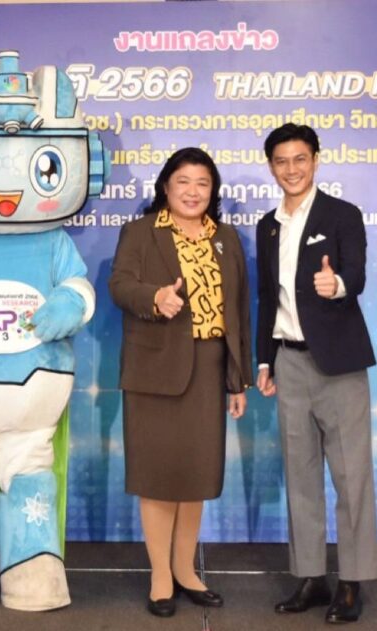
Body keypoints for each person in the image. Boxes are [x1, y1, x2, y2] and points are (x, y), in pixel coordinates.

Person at [109, 147, 253, 618]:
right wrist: (154, 298)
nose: (193, 191)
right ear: (166, 187)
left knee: (195, 475)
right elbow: (119, 285)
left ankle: (186, 570)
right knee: (158, 475)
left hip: (209, 369)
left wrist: (238, 379)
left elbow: (238, 311)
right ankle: (160, 577)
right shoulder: (141, 231)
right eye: (183, 182)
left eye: (202, 183)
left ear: (213, 191)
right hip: (155, 369)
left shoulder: (226, 238)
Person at [255, 124, 377, 624]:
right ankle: (310, 576)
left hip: (339, 365)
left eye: (300, 159)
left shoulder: (342, 214)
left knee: (352, 478)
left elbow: (358, 275)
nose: (292, 169)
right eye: (282, 161)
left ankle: (352, 581)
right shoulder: (267, 226)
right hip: (289, 361)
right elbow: (268, 298)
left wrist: (338, 284)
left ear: (316, 160)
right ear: (272, 166)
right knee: (300, 476)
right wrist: (265, 360)